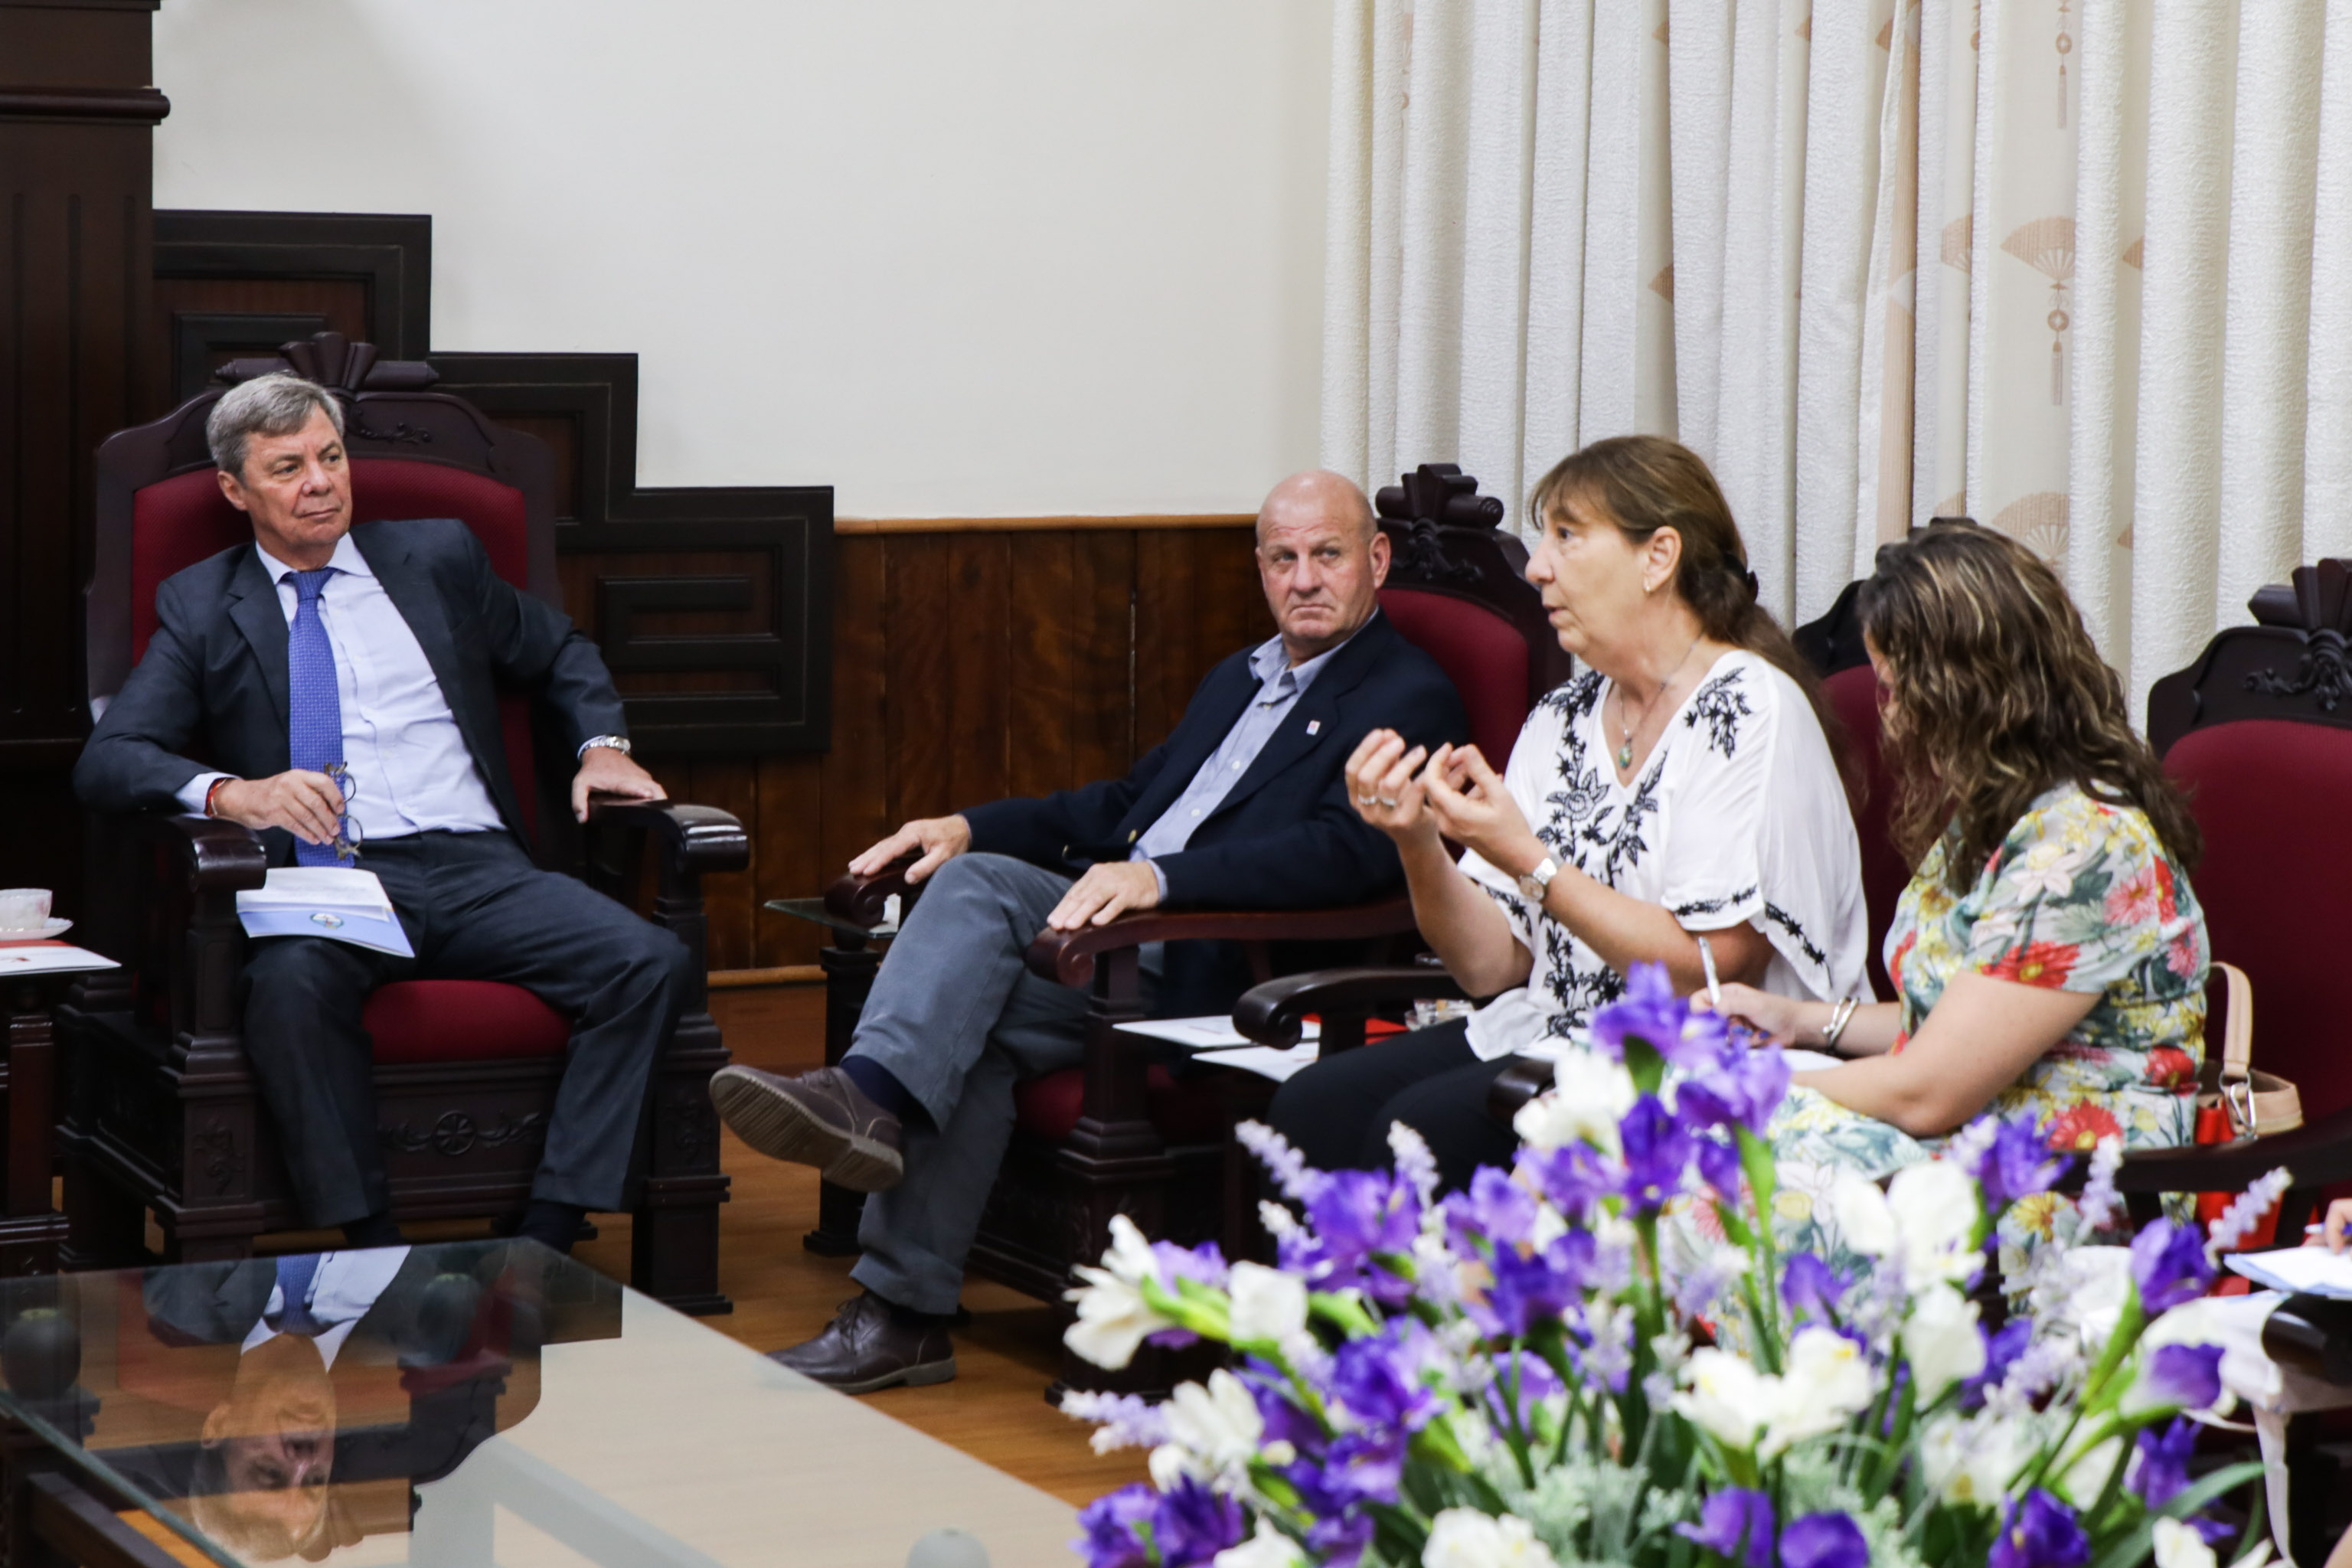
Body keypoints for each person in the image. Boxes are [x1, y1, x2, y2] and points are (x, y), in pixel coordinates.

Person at [710, 470, 1469, 1391]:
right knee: (976, 1008)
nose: (1304, 578)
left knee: (980, 893)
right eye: (1283, 558)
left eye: (1328, 554)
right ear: (1260, 567)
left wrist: (1162, 878)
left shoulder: (1409, 692)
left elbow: (1350, 855)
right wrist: (971, 824)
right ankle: (903, 1315)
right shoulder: (1240, 675)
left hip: (1226, 966)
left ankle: (866, 1099)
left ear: (1376, 559)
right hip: (1121, 941)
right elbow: (1125, 803)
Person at [74, 373, 687, 1256]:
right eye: (288, 468)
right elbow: (112, 758)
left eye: (331, 456)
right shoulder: (204, 603)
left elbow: (559, 648)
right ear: (236, 489)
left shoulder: (437, 557)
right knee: (289, 989)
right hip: (328, 877)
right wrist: (234, 793)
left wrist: (602, 746)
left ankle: (550, 1234)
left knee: (649, 959)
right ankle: (373, 1243)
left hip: (480, 869)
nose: (320, 482)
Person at [1266, 435, 1871, 1191]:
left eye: (1567, 535)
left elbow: (1710, 967)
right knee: (1309, 1109)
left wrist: (1529, 858)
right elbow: (1490, 966)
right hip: (1558, 1032)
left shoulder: (1747, 707)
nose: (1537, 567)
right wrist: (1417, 840)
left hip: (1706, 1053)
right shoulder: (1565, 713)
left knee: (1418, 1131)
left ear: (1658, 558)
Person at [1702, 522, 2210, 1269]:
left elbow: (1929, 1090)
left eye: (1896, 686)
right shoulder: (2001, 815)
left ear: (1963, 689)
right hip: (1968, 1147)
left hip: (2067, 1192)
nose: (1889, 712)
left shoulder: (2085, 844)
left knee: (1710, 1167)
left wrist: (1760, 1083)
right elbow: (1953, 1023)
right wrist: (1798, 1020)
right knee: (1673, 1148)